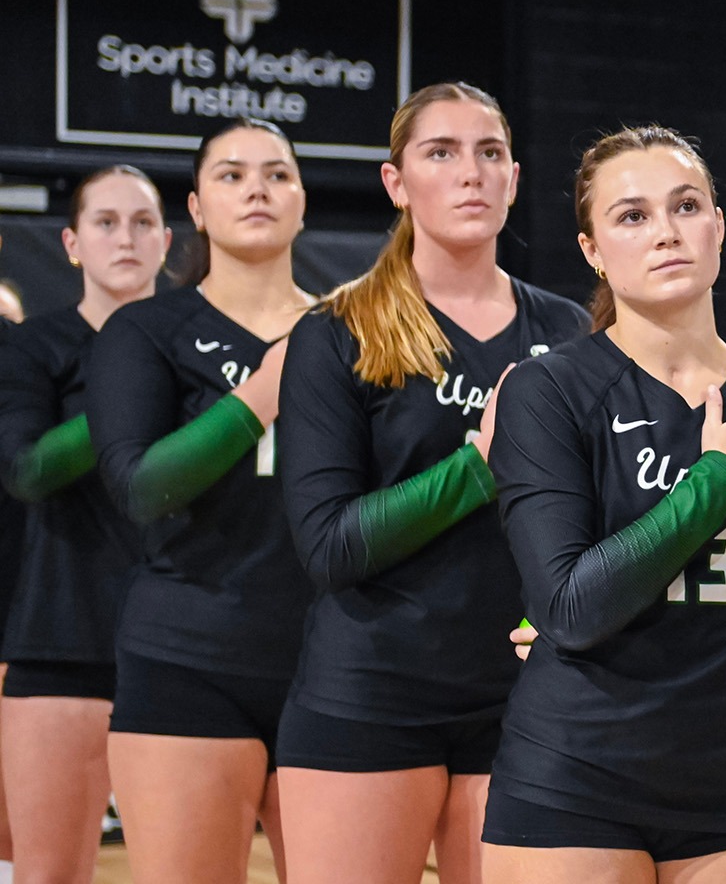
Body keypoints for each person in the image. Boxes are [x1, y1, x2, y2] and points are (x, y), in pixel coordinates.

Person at [482, 125, 726, 884]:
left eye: (686, 206)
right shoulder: (547, 390)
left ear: (719, 227)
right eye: (632, 216)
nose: (666, 233)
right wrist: (721, 479)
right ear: (593, 249)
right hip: (574, 777)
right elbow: (568, 605)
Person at [273, 83, 588, 884]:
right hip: (370, 698)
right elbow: (329, 546)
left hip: (526, 699)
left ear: (514, 178)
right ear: (396, 183)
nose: (470, 173)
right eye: (441, 153)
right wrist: (479, 469)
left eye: (489, 154)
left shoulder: (569, 330)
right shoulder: (336, 332)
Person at [88, 118, 314, 884]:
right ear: (197, 207)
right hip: (189, 658)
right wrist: (262, 393)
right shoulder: (146, 330)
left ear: (302, 201)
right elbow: (140, 488)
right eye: (231, 174)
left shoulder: (355, 331)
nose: (257, 187)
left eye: (277, 173)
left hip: (339, 666)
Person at [0, 166, 170, 884]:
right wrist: (132, 387)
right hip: (63, 635)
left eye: (141, 223)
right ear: (71, 243)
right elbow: (28, 469)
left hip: (184, 642)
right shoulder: (32, 346)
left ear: (167, 239)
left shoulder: (204, 344)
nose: (124, 238)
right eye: (104, 222)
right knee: (48, 874)